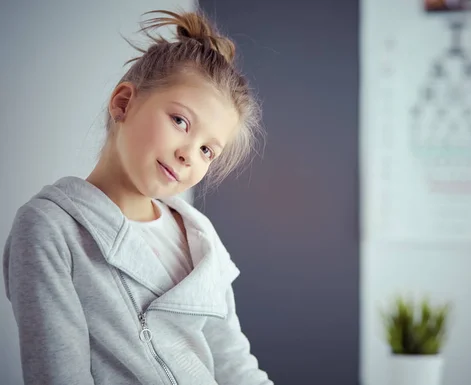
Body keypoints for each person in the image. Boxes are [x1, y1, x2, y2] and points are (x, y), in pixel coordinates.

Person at [2, 8, 273, 385]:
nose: (188, 155)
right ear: (124, 103)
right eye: (180, 121)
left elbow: (234, 365)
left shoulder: (201, 237)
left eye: (207, 151)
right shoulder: (49, 229)